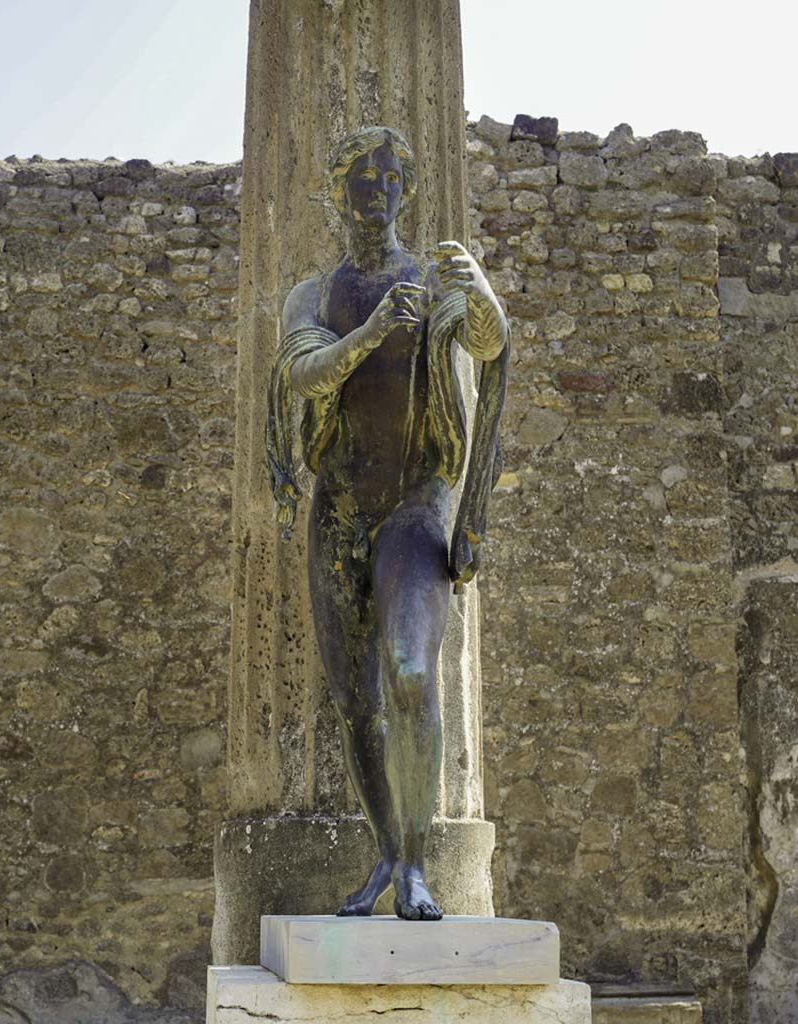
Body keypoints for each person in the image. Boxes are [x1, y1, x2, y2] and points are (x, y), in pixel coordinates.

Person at [266, 126, 507, 921]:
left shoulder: (434, 276)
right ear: (336, 195)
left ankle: (413, 864)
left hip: (415, 498)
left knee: (409, 670)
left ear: (406, 189)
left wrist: (483, 297)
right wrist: (368, 335)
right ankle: (385, 852)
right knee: (356, 698)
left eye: (388, 177)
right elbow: (302, 370)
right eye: (359, 179)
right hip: (340, 506)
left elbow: (486, 341)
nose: (376, 191)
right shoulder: (314, 293)